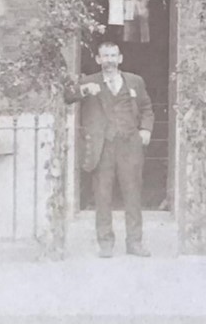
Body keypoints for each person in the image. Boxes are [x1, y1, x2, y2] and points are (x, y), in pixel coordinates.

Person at [64, 42, 155, 258]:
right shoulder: (89, 81)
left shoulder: (135, 81)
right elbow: (67, 97)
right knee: (102, 196)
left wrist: (145, 129)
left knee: (133, 195)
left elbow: (146, 108)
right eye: (105, 56)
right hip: (102, 147)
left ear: (120, 58)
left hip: (129, 145)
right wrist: (85, 90)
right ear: (98, 59)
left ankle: (135, 242)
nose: (110, 60)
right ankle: (105, 243)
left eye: (113, 56)